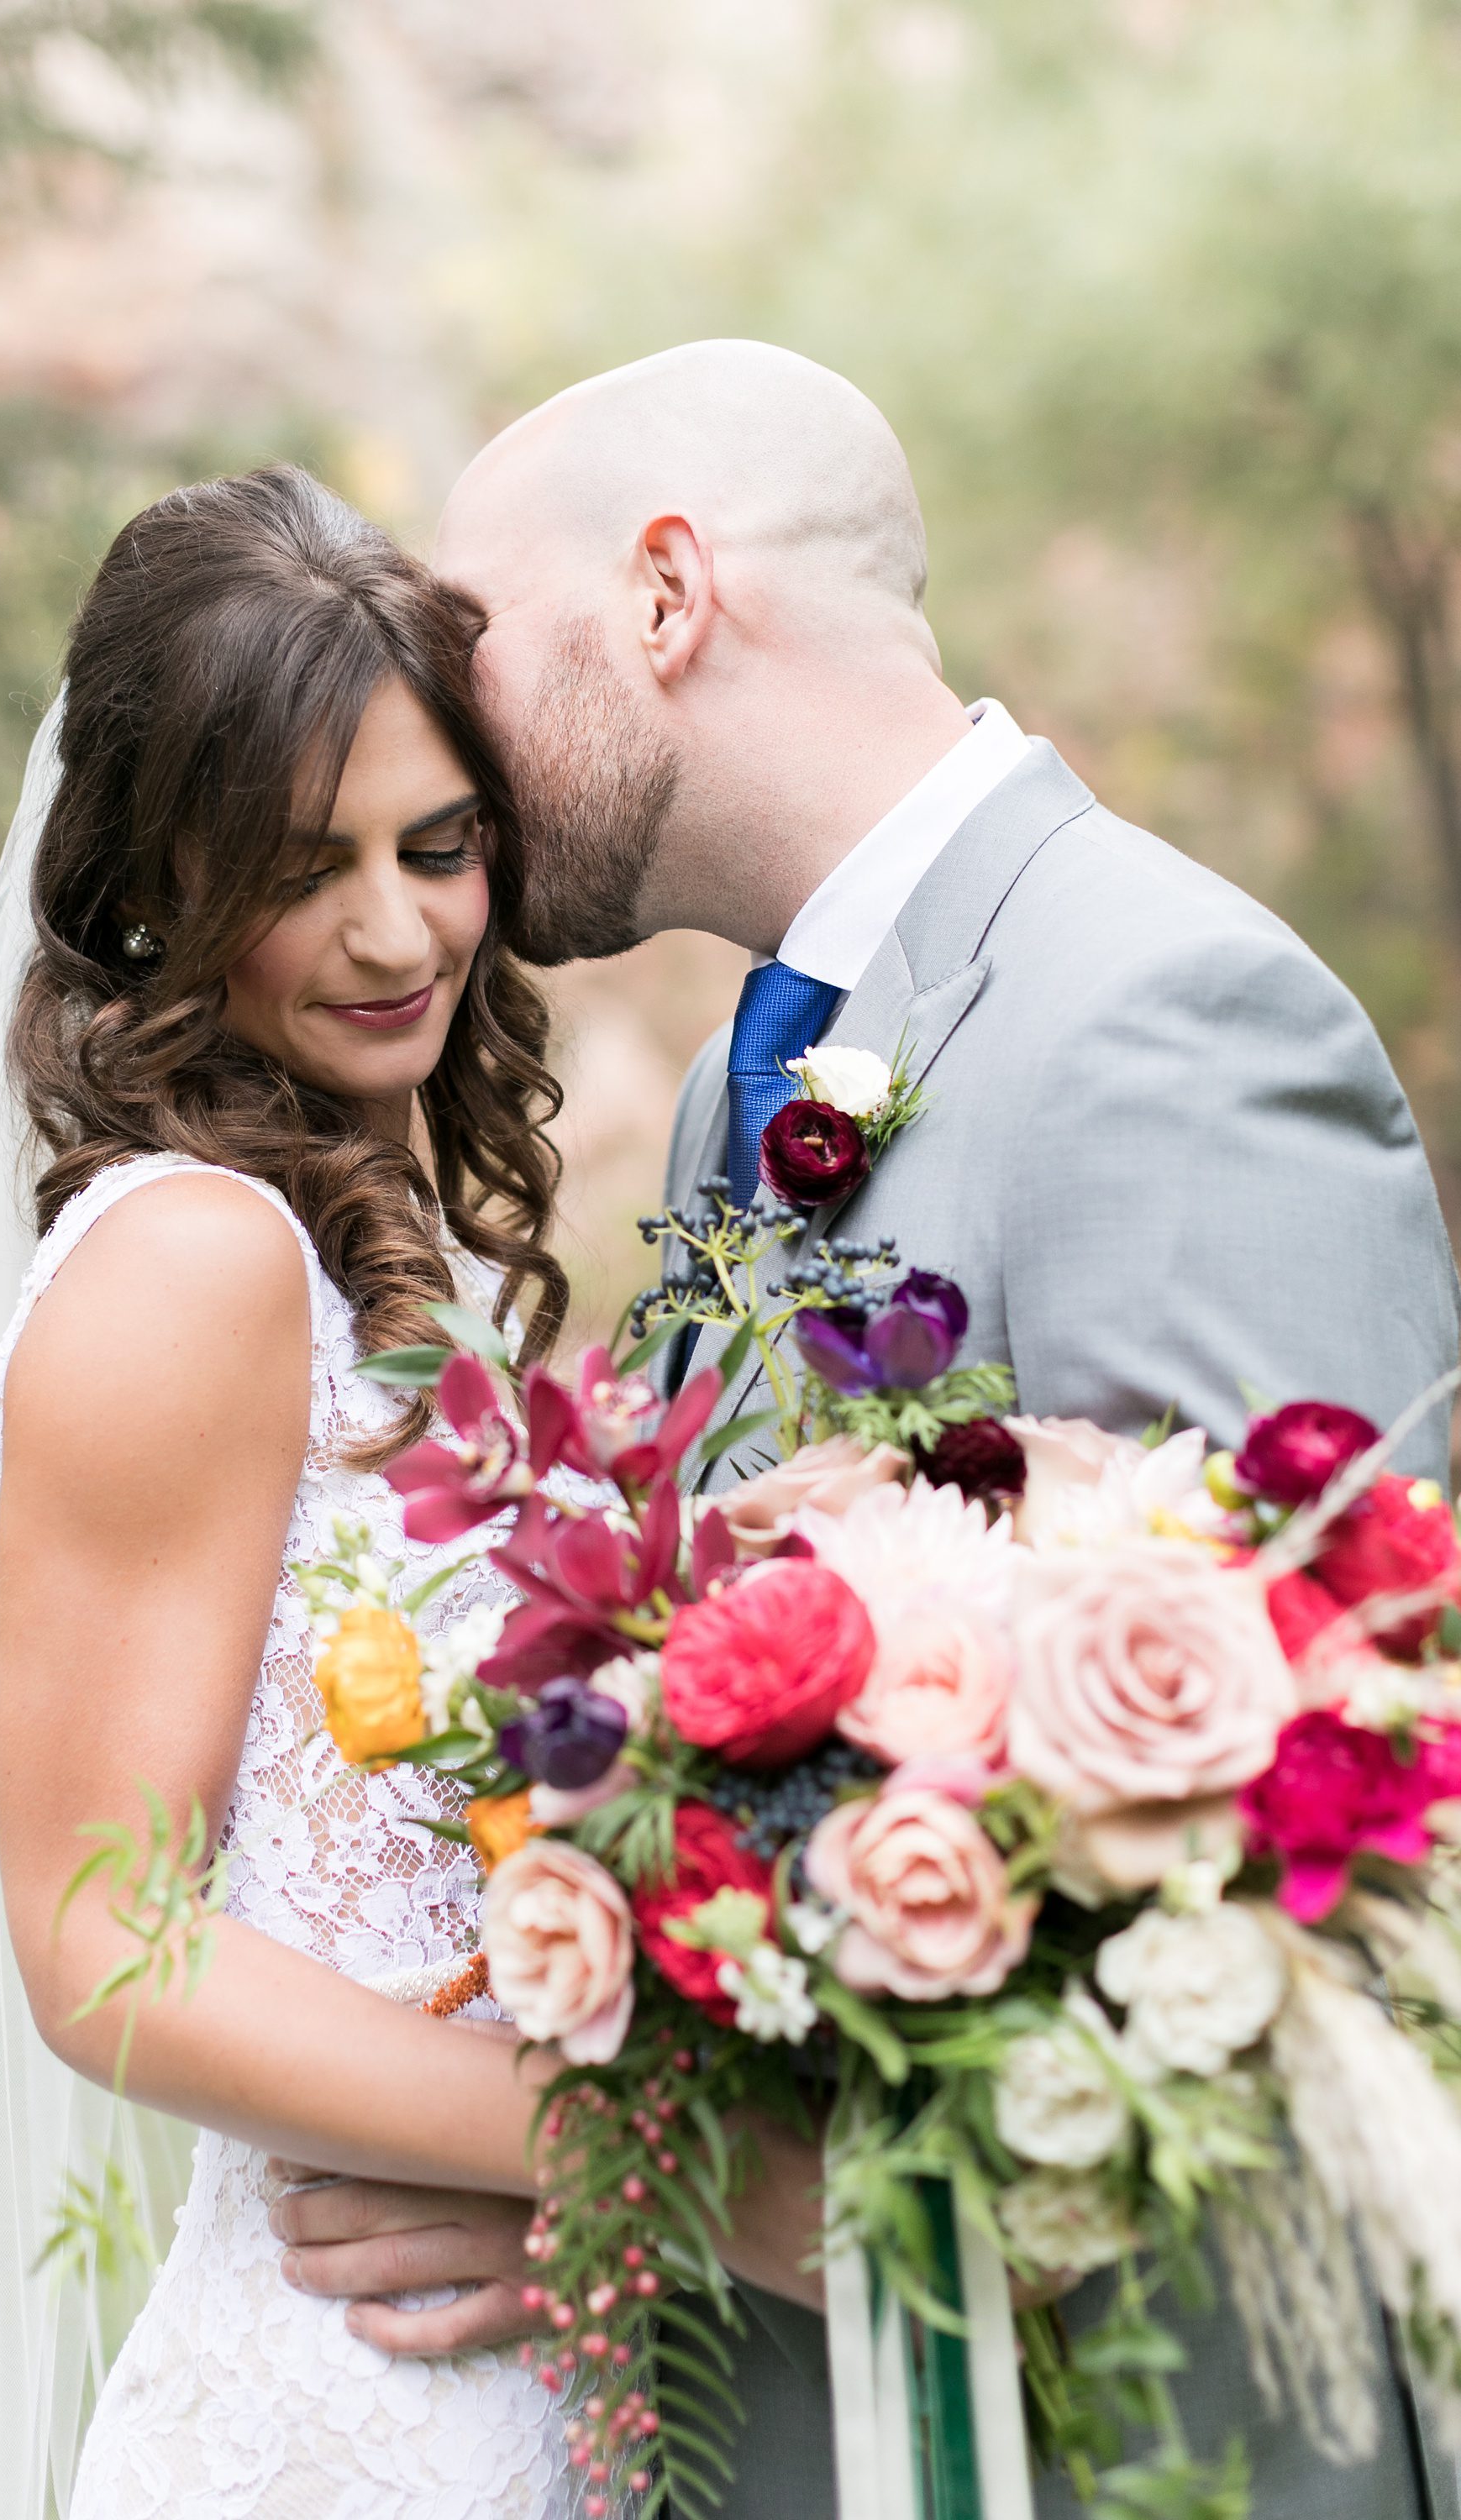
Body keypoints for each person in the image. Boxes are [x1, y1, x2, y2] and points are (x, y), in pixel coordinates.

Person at [279, 344, 1461, 2518]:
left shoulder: (1158, 1017)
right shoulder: (791, 1052)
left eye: (465, 643)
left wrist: (616, 2190)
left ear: (664, 598)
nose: (431, 734)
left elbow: (1300, 1896)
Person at [0, 460, 818, 2519]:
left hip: (509, 2351)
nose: (390, 931)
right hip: (345, 2418)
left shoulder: (349, 1225)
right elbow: (105, 1940)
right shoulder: (196, 1257)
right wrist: (667, 2167)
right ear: (153, 881)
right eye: (298, 866)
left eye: (438, 848)